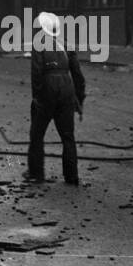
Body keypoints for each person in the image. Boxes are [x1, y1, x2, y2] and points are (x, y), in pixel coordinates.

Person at [24, 12, 86, 186]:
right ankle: (71, 176)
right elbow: (79, 76)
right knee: (68, 136)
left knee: (37, 134)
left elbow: (36, 74)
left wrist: (36, 97)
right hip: (67, 90)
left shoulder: (39, 44)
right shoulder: (66, 45)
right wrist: (79, 99)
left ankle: (36, 174)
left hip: (47, 92)